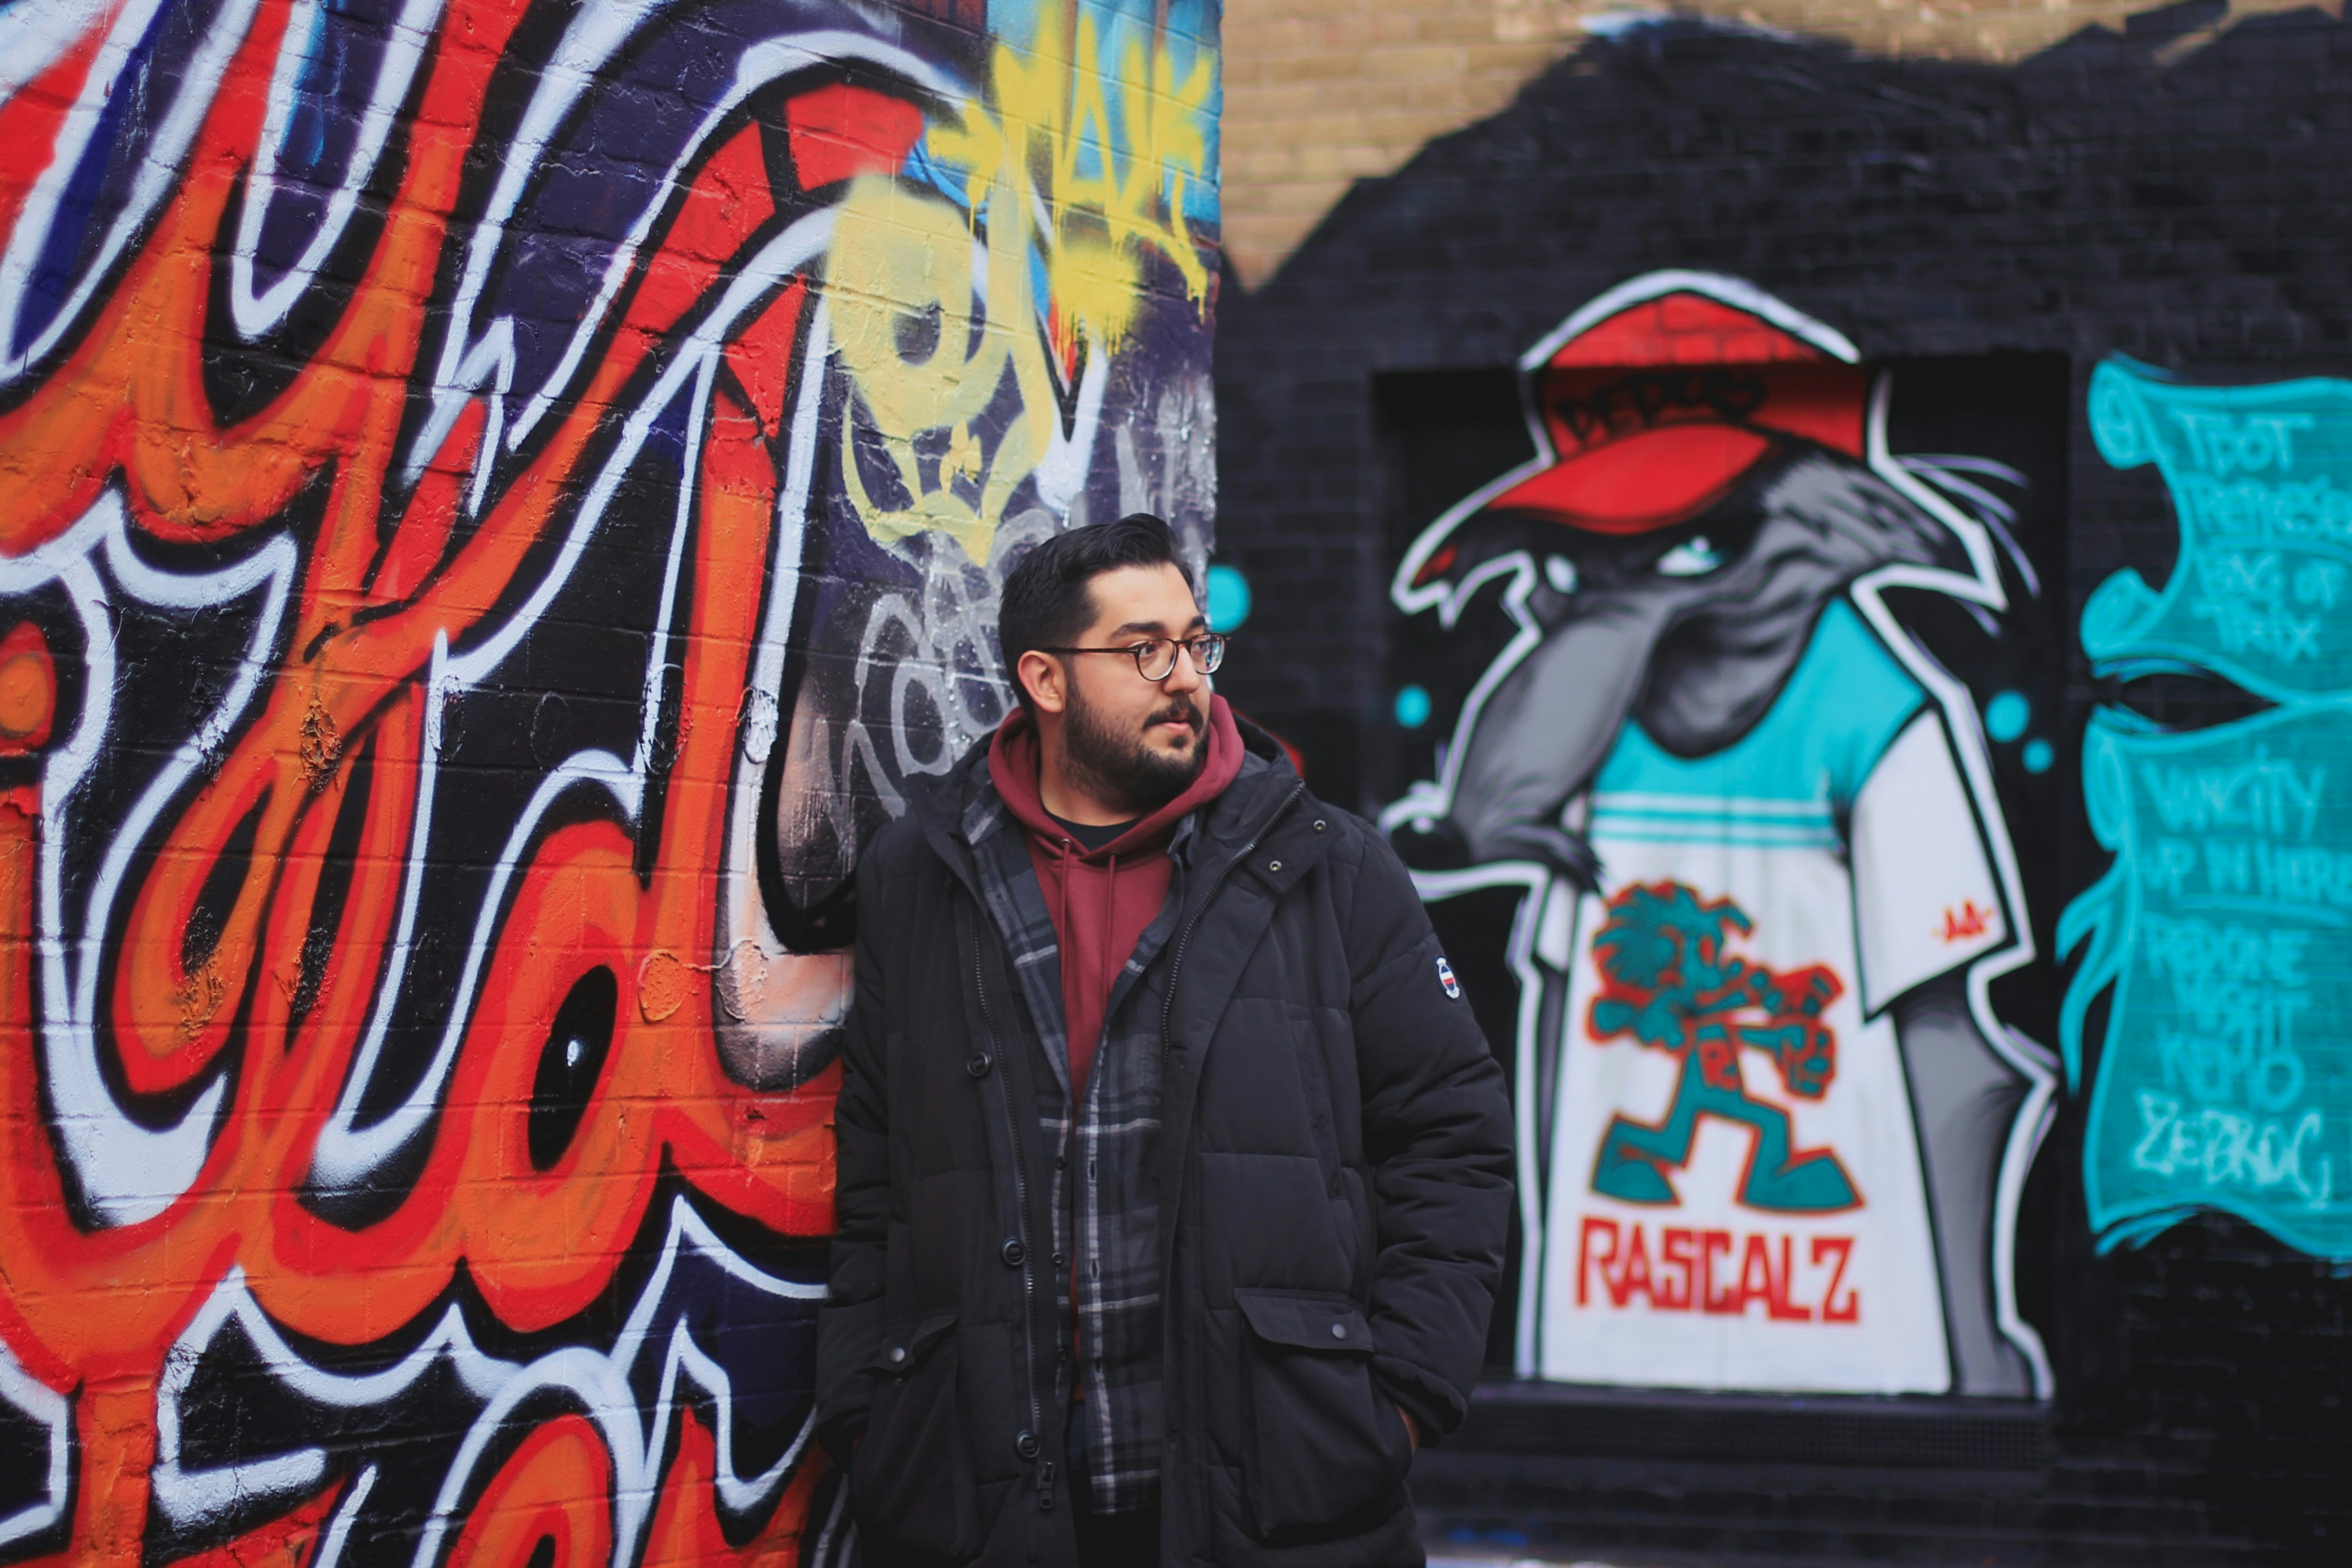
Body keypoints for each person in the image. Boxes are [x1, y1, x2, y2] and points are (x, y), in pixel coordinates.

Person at [816, 513, 1514, 1567]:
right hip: (978, 1501)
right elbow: (873, 1171)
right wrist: (875, 1415)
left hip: (1281, 1494)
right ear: (1045, 680)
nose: (1184, 676)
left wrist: (1398, 1399)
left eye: (1195, 644)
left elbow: (1451, 1140)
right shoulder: (921, 875)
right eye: (1143, 649)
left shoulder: (1327, 867)